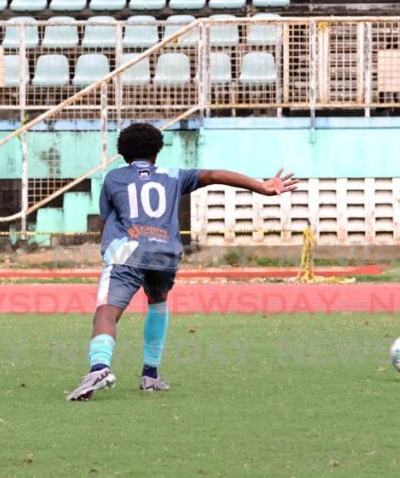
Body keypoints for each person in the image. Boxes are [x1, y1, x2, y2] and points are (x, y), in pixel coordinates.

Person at [66, 123, 299, 401]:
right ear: (157, 150)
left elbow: (106, 223)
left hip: (127, 252)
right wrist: (260, 186)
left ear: (123, 152)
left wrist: (107, 251)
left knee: (106, 312)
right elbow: (214, 175)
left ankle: (99, 367)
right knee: (157, 304)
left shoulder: (114, 178)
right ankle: (150, 375)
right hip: (166, 252)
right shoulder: (174, 175)